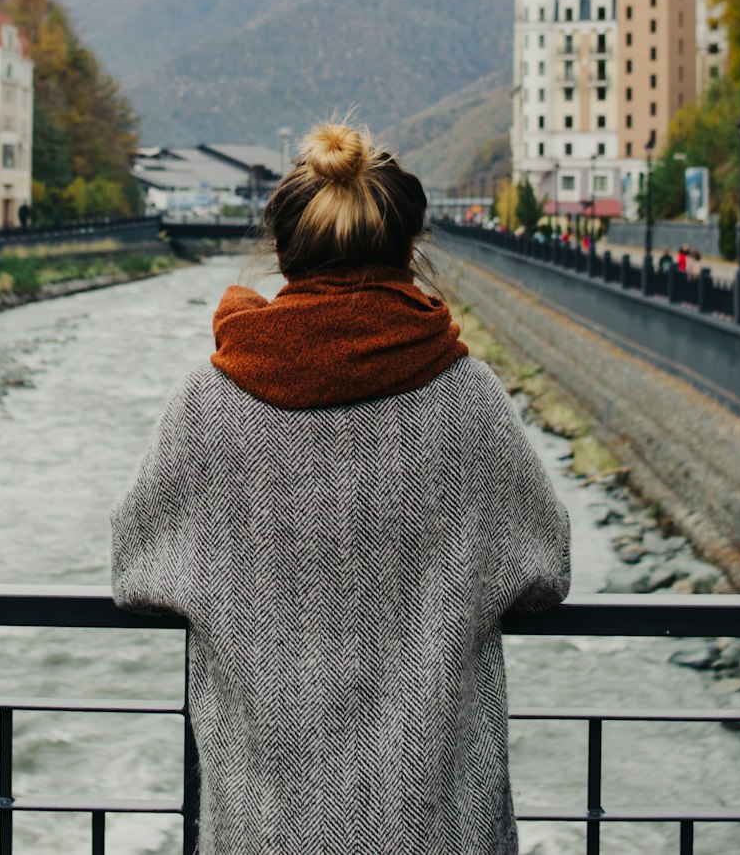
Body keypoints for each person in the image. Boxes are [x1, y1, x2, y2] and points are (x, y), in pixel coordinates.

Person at [111, 121, 571, 855]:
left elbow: (135, 567)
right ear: (409, 250)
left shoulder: (208, 404)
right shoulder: (469, 399)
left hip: (267, 824)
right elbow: (544, 566)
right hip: (433, 825)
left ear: (284, 254)